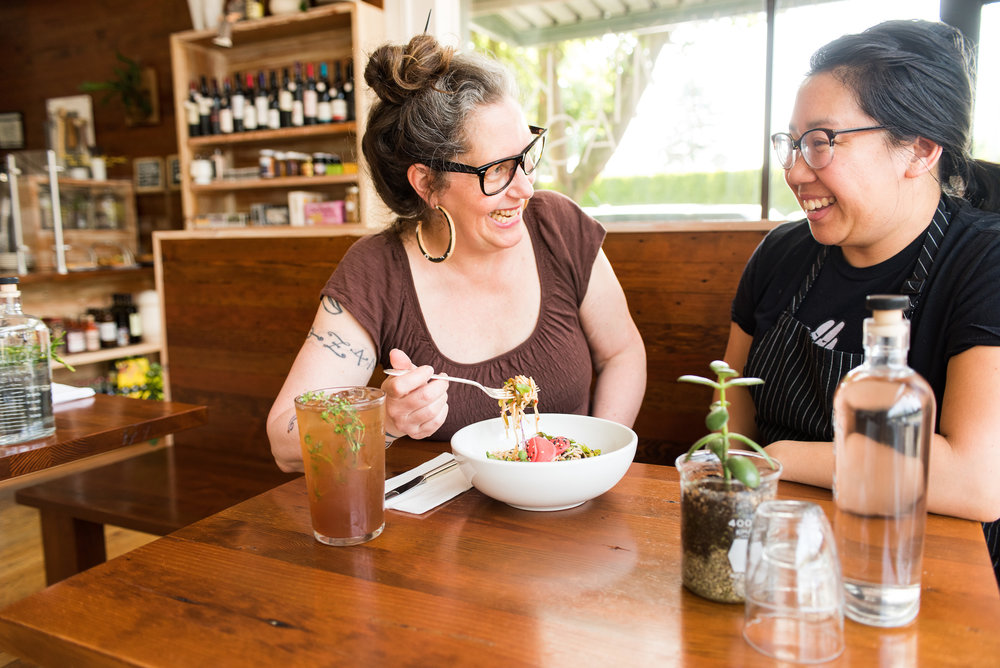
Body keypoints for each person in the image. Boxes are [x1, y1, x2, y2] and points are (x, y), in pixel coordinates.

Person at [267, 34, 646, 472]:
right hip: (445, 533)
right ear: (426, 183)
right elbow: (284, 440)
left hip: (570, 510)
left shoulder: (558, 227)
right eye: (497, 170)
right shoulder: (376, 271)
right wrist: (385, 420)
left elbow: (621, 353)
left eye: (526, 156)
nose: (526, 188)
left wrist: (592, 464)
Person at [723, 19, 1000, 584]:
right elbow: (734, 406)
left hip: (922, 573)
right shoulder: (781, 253)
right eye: (793, 143)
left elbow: (976, 480)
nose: (795, 171)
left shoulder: (983, 262)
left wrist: (779, 459)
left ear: (919, 150)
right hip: (777, 552)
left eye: (822, 142)